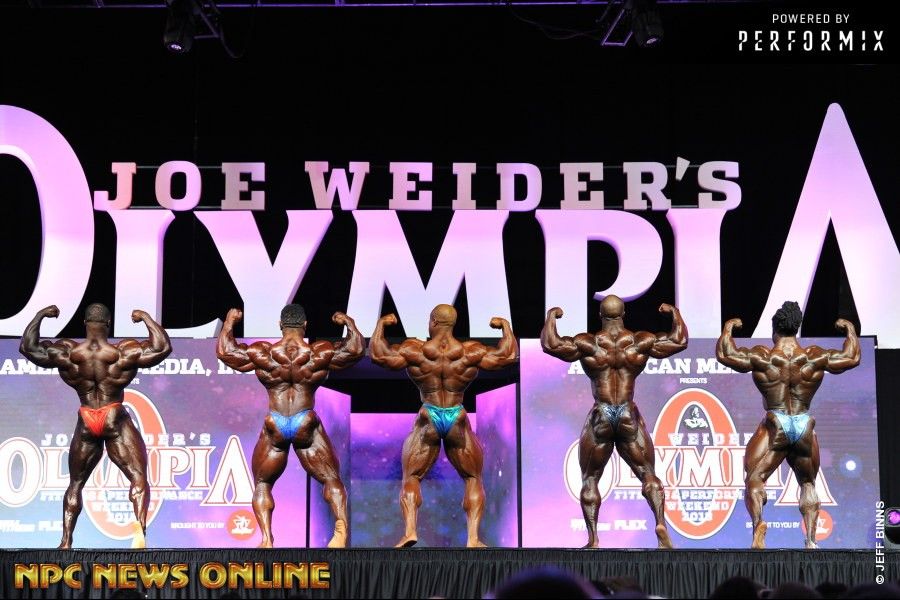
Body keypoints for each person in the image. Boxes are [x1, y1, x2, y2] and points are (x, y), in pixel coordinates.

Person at [19, 303, 172, 549]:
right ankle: (139, 532)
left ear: (85, 323)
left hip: (87, 418)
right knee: (137, 476)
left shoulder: (69, 353)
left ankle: (66, 541)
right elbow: (162, 347)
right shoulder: (121, 353)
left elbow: (28, 347)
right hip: (114, 417)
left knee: (76, 483)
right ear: (108, 324)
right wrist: (145, 317)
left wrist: (41, 316)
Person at [540, 295, 687, 549]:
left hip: (603, 414)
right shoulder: (640, 341)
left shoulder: (589, 343)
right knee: (648, 473)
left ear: (600, 315)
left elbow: (550, 344)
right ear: (623, 314)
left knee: (590, 478)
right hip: (627, 413)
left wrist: (552, 316)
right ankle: (660, 524)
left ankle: (593, 539)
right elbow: (679, 341)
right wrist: (674, 313)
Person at [369, 304, 518, 548]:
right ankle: (473, 538)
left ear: (433, 322)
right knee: (472, 477)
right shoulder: (469, 351)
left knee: (412, 475)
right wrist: (505, 327)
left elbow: (378, 355)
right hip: (456, 415)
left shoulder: (415, 350)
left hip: (429, 414)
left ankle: (410, 531)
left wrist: (381, 325)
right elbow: (509, 356)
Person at [216, 305, 364, 548]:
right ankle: (340, 531)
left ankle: (266, 539)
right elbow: (355, 350)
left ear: (280, 325)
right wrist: (349, 323)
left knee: (263, 484)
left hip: (275, 422)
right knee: (331, 478)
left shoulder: (264, 352)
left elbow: (225, 352)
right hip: (304, 420)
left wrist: (230, 322)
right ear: (305, 325)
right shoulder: (318, 353)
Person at [716, 301, 860, 549]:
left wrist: (728, 328)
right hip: (804, 424)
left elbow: (725, 354)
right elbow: (852, 357)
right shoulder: (814, 356)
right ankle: (811, 541)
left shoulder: (764, 356)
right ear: (797, 329)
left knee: (755, 478)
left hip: (777, 422)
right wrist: (850, 330)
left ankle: (758, 526)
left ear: (774, 329)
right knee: (808, 483)